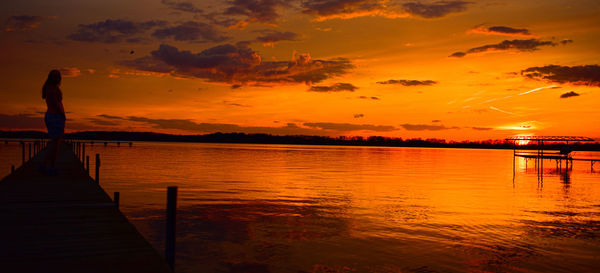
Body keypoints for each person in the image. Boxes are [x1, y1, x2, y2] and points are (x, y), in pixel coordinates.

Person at [40, 69, 66, 175]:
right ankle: (47, 166)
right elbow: (55, 103)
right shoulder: (51, 88)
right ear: (50, 77)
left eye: (58, 76)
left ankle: (49, 166)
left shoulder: (54, 88)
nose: (57, 78)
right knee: (54, 143)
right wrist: (62, 114)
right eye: (54, 76)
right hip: (55, 116)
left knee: (56, 143)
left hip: (56, 116)